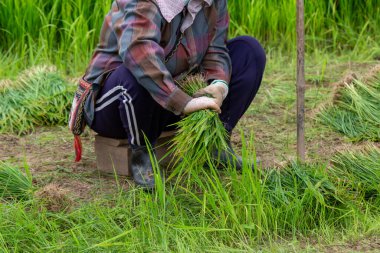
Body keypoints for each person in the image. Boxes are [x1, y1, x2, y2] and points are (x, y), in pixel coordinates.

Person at [79, 0, 266, 189]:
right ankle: (142, 155)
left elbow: (216, 48)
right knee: (135, 70)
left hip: (167, 102)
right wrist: (183, 102)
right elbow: (138, 50)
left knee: (248, 51)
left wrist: (219, 84)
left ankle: (215, 145)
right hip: (118, 106)